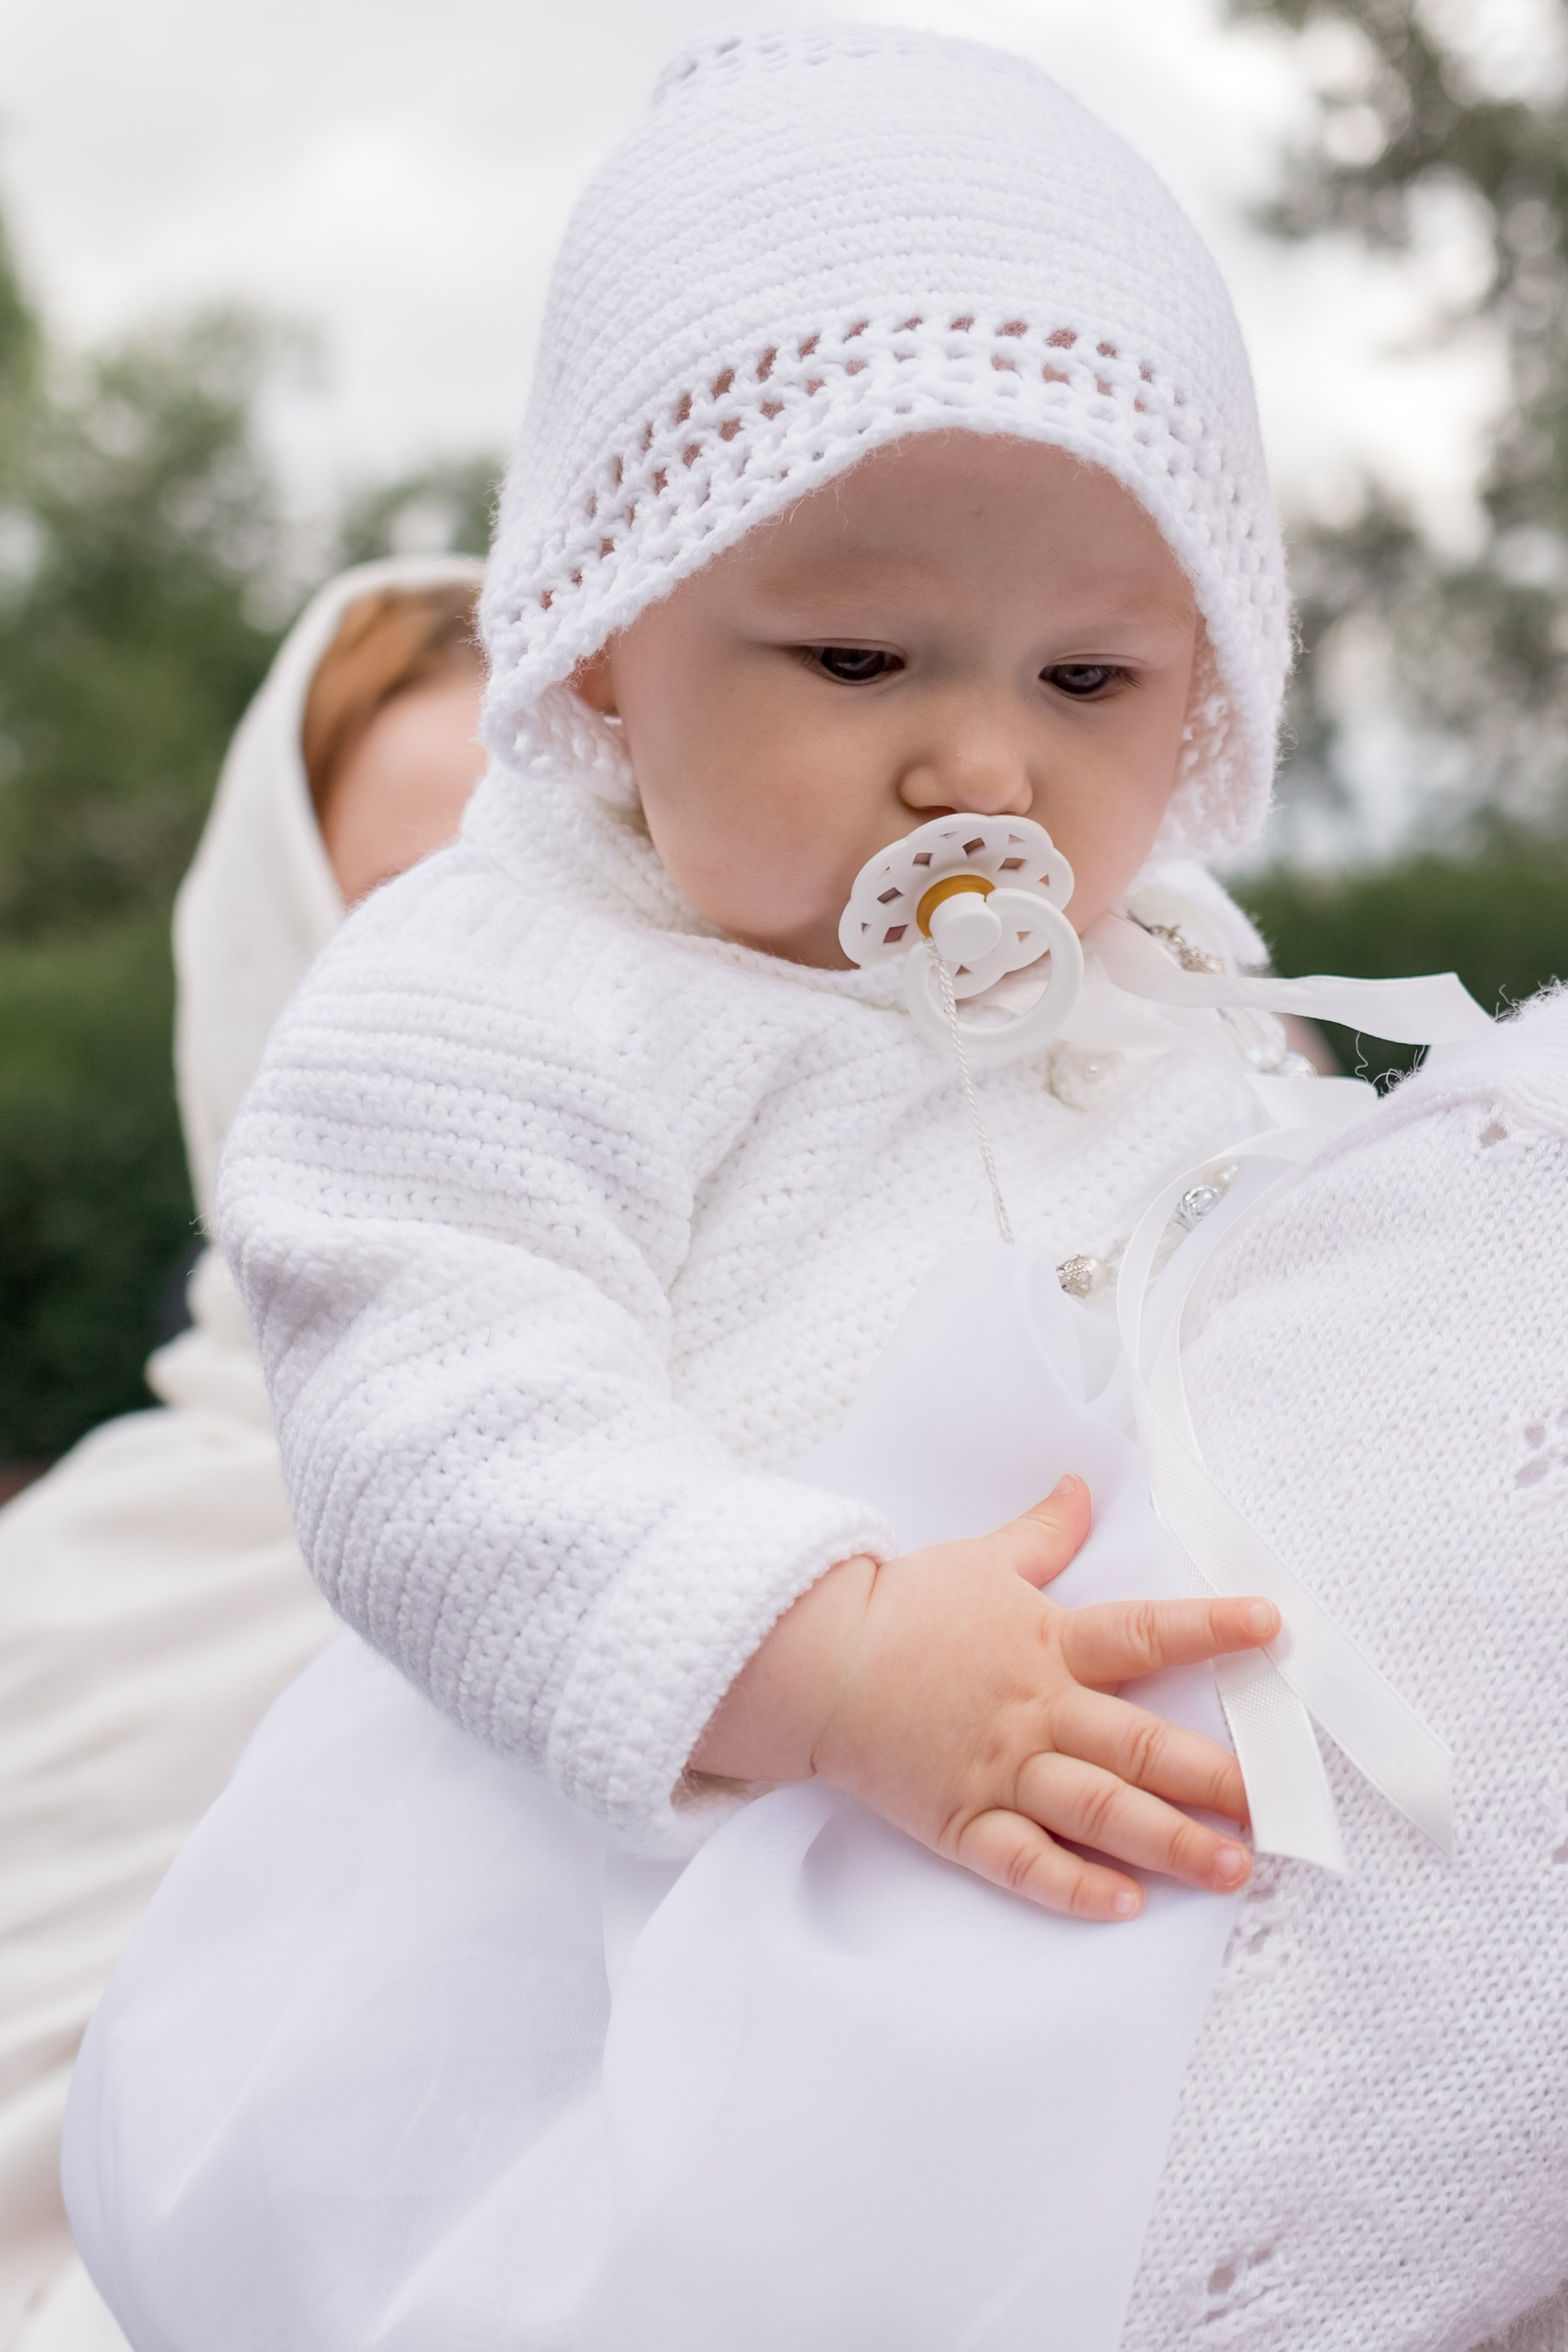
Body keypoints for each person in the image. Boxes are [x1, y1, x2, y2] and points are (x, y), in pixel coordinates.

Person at [56, 27, 1568, 2351]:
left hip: (1159, 1793)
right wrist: (821, 1647)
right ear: (608, 640)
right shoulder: (509, 988)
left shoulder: (1161, 964)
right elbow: (436, 1416)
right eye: (856, 653)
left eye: (1090, 673)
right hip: (739, 1846)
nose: (978, 752)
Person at [0, 554, 484, 2352]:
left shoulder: (851, 1531)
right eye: (410, 930)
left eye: (581, 905)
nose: (494, 1014)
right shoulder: (83, 1585)